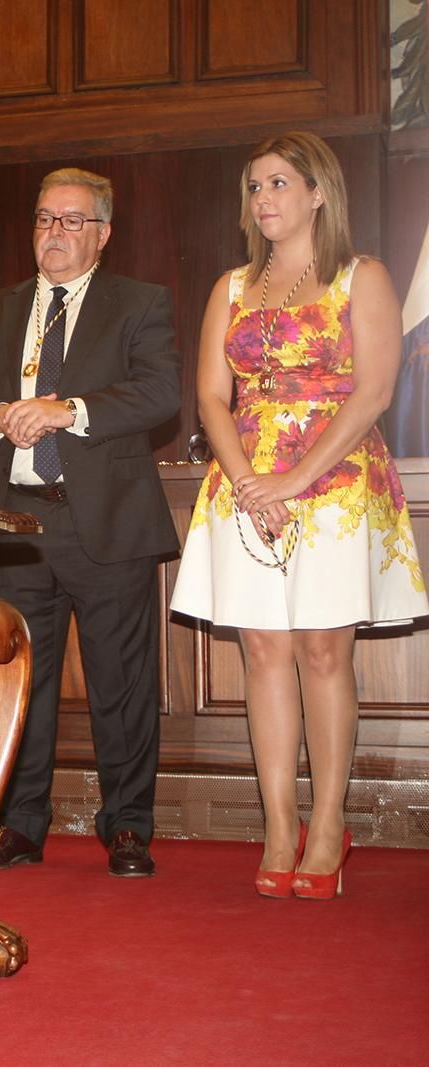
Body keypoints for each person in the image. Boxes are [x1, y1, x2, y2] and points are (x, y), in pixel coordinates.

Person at [170, 132, 428, 899]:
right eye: (254, 187)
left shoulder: (363, 275)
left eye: (279, 183)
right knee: (261, 653)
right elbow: (214, 396)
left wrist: (295, 480)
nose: (264, 199)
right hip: (246, 485)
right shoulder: (230, 286)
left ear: (319, 192)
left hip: (336, 483)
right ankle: (279, 823)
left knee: (322, 651)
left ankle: (327, 825)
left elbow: (374, 391)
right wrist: (250, 478)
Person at [0, 167, 181, 879]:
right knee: (18, 680)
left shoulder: (139, 303)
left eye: (74, 221)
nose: (56, 233)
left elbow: (160, 390)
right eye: (46, 219)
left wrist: (64, 410)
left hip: (106, 522)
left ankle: (128, 826)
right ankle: (23, 821)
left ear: (103, 233)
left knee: (122, 684)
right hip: (16, 527)